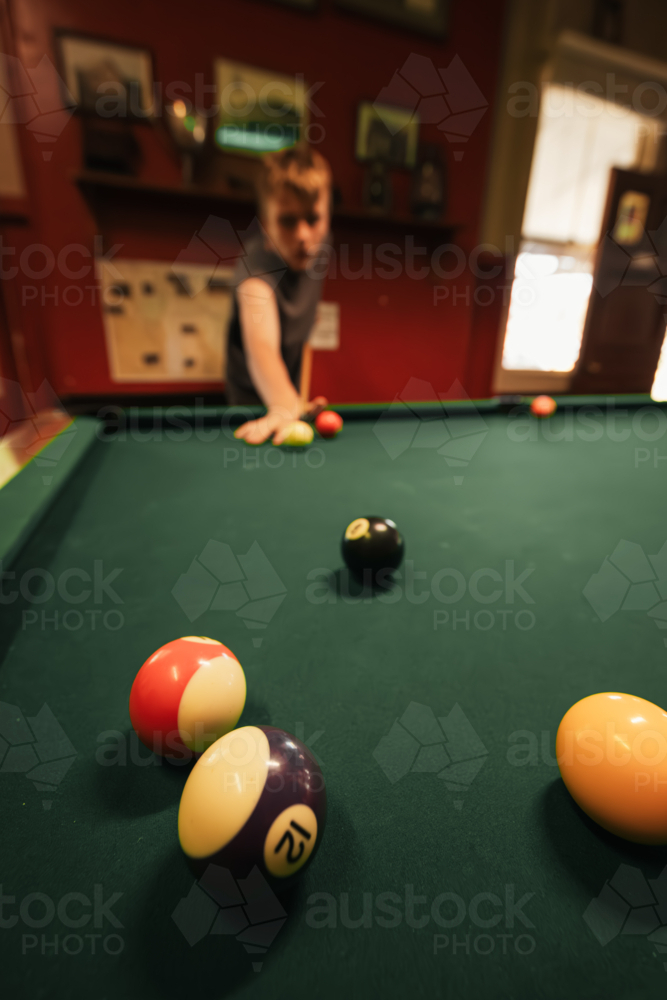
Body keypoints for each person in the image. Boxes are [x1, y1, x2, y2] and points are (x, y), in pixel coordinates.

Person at [227, 144, 332, 445]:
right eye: (287, 221)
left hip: (289, 402)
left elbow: (307, 327)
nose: (303, 235)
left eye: (313, 219)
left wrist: (296, 401)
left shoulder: (317, 248)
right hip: (253, 412)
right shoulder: (255, 271)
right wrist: (284, 404)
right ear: (266, 225)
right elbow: (262, 346)